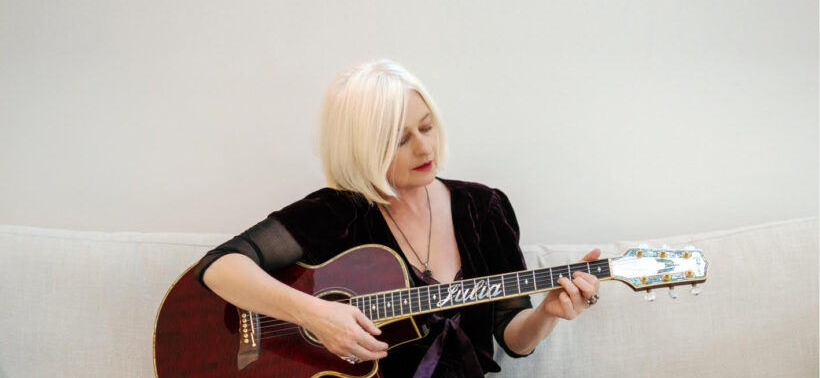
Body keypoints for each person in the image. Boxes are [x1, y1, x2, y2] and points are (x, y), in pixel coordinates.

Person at [195, 59, 601, 377]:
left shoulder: (484, 208)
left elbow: (513, 337)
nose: (425, 148)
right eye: (400, 139)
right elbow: (219, 267)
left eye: (427, 127)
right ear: (361, 149)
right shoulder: (340, 211)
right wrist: (316, 315)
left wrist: (547, 313)